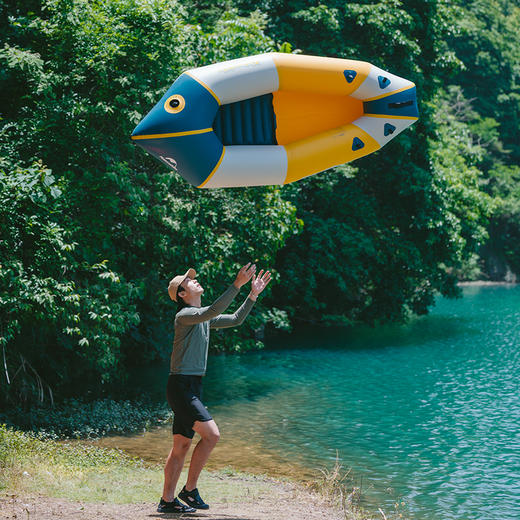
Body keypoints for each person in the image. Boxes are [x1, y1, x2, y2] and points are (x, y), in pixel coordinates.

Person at [157, 262, 272, 513]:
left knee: (181, 446)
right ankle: (188, 491)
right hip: (181, 386)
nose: (194, 281)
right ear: (182, 295)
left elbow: (235, 319)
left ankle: (167, 501)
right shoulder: (184, 316)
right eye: (189, 281)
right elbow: (215, 309)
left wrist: (252, 295)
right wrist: (237, 285)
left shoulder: (203, 318)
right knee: (212, 435)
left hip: (191, 385)